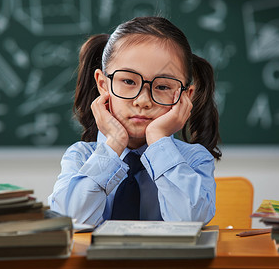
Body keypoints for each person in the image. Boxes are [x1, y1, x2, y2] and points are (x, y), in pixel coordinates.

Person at [48, 16, 221, 226]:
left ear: (186, 96)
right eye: (128, 81)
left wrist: (158, 139)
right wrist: (113, 143)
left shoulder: (194, 160)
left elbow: (191, 220)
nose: (143, 100)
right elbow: (69, 221)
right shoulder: (81, 157)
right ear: (103, 85)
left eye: (163, 86)